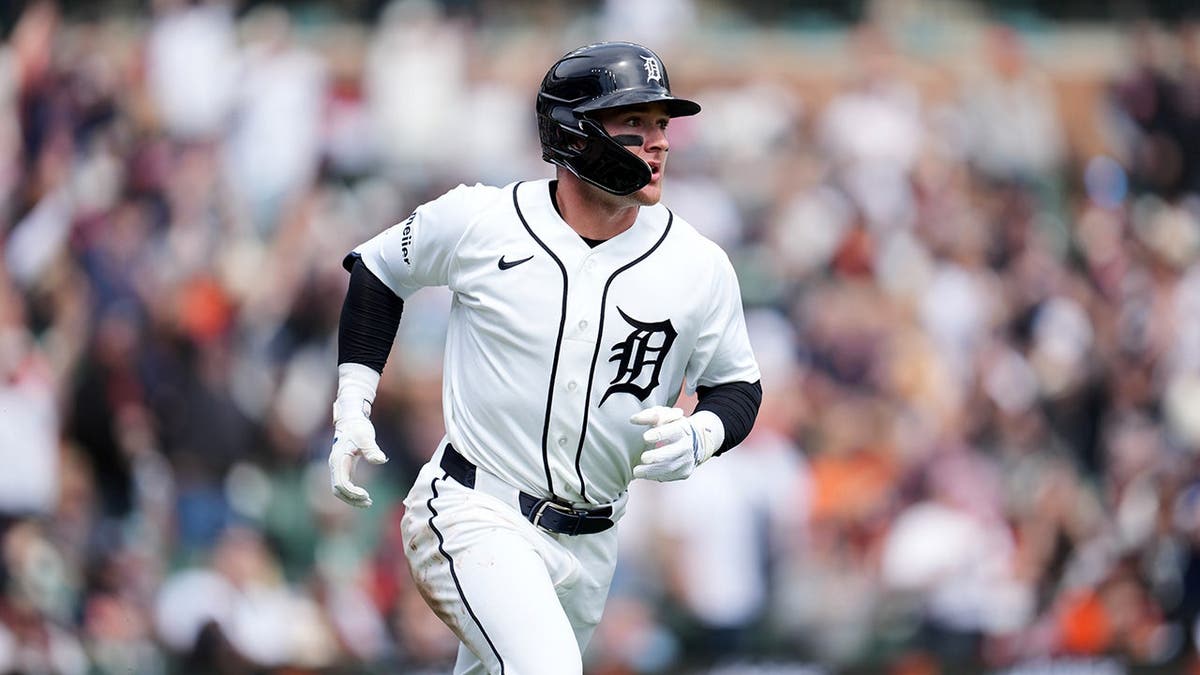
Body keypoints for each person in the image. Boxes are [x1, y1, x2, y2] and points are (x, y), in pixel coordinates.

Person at [328, 41, 762, 674]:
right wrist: (352, 404)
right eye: (633, 124)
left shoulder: (699, 265)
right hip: (476, 508)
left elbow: (738, 387)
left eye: (662, 124)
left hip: (593, 542)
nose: (659, 142)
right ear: (574, 134)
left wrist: (704, 432)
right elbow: (378, 269)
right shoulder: (483, 218)